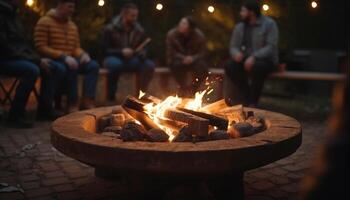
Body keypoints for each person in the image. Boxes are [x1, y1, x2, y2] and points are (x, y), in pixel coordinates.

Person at [34, 0, 99, 114]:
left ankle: (87, 101)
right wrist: (63, 57)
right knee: (69, 67)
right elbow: (41, 46)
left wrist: (83, 54)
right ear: (60, 5)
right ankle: (72, 103)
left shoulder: (72, 26)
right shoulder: (44, 22)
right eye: (69, 7)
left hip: (70, 59)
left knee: (93, 65)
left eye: (73, 7)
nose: (72, 10)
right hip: (53, 59)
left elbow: (76, 48)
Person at [0, 0, 45, 128]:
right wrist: (35, 60)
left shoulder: (13, 13)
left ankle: (44, 110)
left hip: (15, 56)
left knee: (50, 67)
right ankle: (15, 115)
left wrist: (37, 59)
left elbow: (22, 44)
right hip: (4, 59)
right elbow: (5, 46)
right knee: (31, 70)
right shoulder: (3, 14)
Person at [225, 0, 279, 107]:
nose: (241, 13)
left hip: (265, 60)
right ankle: (247, 95)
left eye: (243, 11)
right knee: (230, 66)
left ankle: (253, 102)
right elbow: (233, 46)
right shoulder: (240, 27)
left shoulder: (269, 24)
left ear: (252, 12)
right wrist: (236, 54)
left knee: (258, 68)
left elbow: (271, 46)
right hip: (245, 59)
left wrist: (254, 57)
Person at [103, 3, 155, 102]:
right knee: (115, 65)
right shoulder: (110, 29)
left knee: (149, 65)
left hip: (131, 60)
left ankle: (140, 97)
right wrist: (121, 51)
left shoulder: (138, 30)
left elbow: (144, 47)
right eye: (132, 16)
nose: (135, 18)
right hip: (113, 58)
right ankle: (111, 98)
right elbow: (104, 50)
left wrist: (142, 53)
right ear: (124, 14)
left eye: (136, 16)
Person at [166, 16, 208, 97]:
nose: (180, 25)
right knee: (176, 65)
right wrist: (183, 58)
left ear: (190, 27)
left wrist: (193, 58)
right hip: (178, 59)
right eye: (181, 22)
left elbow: (203, 52)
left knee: (203, 68)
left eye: (184, 23)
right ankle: (183, 88)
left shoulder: (199, 36)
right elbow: (171, 51)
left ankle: (193, 89)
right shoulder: (172, 34)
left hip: (194, 60)